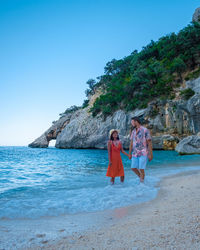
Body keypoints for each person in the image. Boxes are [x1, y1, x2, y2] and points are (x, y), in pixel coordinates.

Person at [129, 117, 153, 183]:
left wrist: (151, 154)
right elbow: (131, 143)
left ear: (136, 121)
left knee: (141, 169)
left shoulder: (145, 130)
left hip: (143, 152)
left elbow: (149, 142)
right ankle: (142, 179)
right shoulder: (133, 131)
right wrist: (129, 153)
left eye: (132, 122)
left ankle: (142, 183)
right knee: (133, 168)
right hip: (134, 153)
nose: (131, 123)